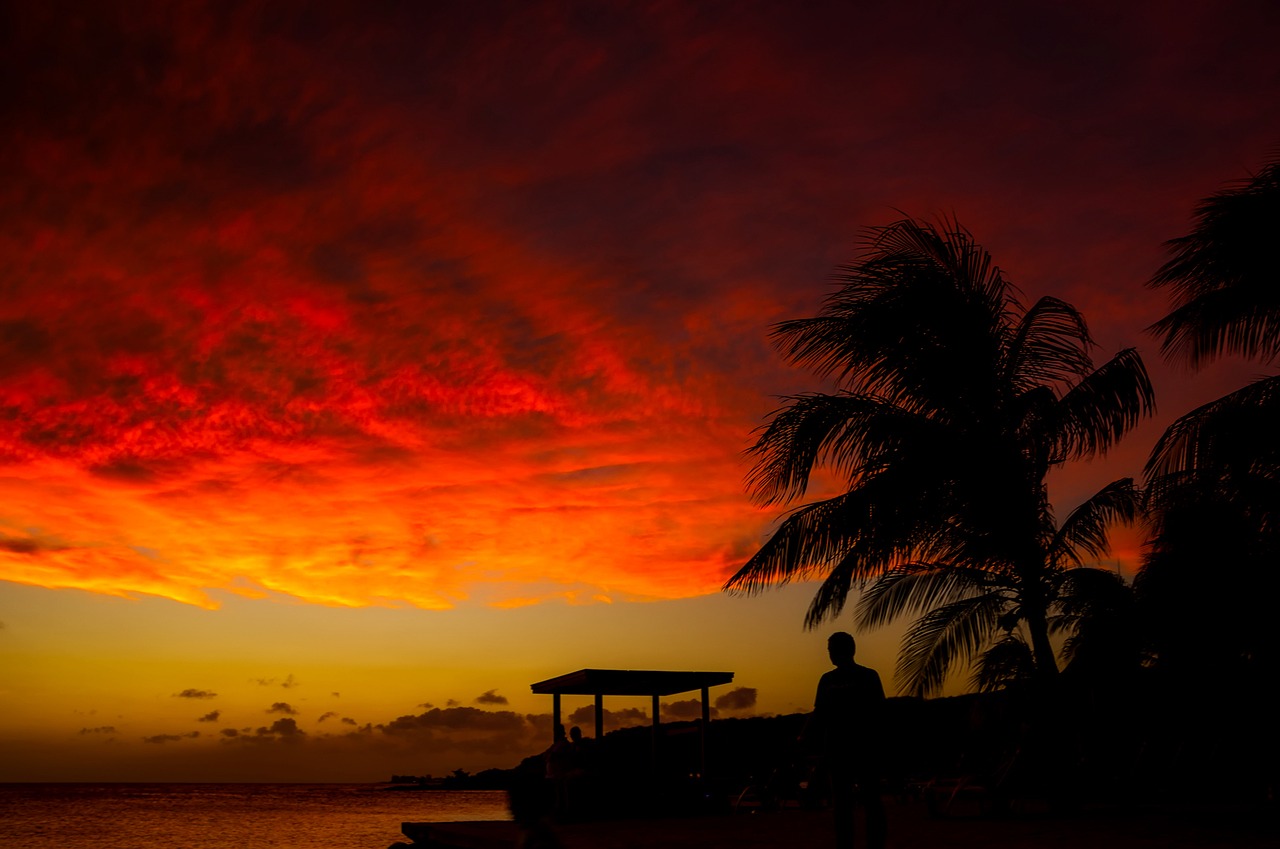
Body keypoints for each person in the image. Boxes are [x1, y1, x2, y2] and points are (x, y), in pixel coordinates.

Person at [802, 631, 888, 849]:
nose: (829, 654)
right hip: (840, 750)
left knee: (867, 801)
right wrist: (804, 736)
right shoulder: (829, 680)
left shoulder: (865, 677)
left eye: (831, 650)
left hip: (861, 749)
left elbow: (878, 712)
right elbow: (819, 712)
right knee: (844, 803)